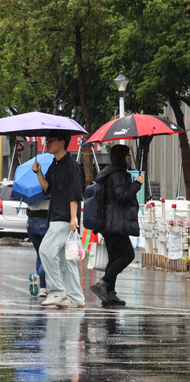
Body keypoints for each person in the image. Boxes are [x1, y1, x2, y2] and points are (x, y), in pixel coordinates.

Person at [32, 131, 85, 309]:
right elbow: (48, 188)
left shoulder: (72, 166)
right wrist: (39, 173)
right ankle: (76, 298)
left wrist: (73, 217)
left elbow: (75, 194)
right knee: (66, 261)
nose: (47, 143)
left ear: (62, 142)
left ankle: (56, 292)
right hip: (56, 216)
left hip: (64, 218)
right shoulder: (54, 165)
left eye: (50, 140)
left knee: (46, 251)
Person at [90, 144, 143, 307]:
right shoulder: (118, 175)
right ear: (121, 156)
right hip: (116, 223)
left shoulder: (110, 173)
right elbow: (121, 195)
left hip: (110, 222)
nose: (129, 158)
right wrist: (137, 184)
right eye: (127, 155)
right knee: (127, 255)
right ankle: (104, 284)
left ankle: (109, 293)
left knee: (114, 258)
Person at [26, 198, 50, 297]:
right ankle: (37, 276)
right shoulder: (47, 184)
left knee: (40, 254)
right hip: (44, 221)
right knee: (47, 255)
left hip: (30, 221)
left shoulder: (30, 186)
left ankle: (42, 288)